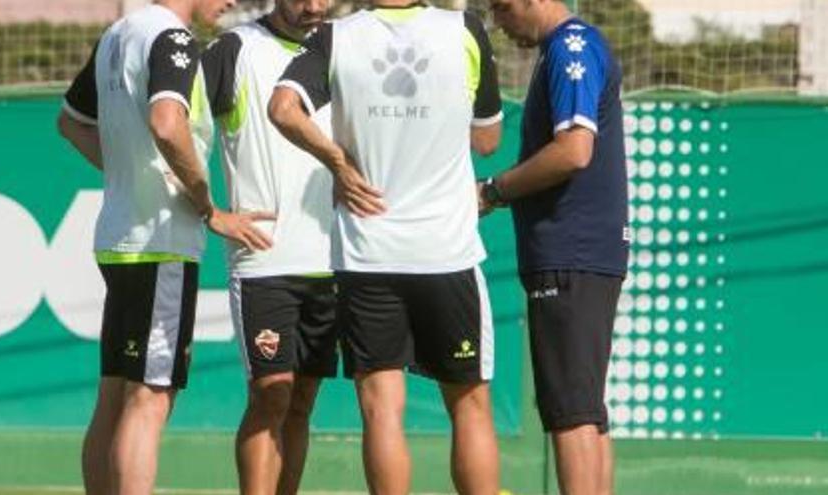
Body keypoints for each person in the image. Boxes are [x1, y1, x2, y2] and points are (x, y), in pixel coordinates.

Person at [268, 1, 503, 493]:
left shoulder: (335, 36)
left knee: (380, 410)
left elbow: (282, 109)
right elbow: (488, 140)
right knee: (469, 404)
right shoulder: (463, 29)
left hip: (367, 253)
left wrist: (337, 160)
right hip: (446, 252)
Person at [56, 1, 272, 494]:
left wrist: (130, 178)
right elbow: (167, 122)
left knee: (114, 396)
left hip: (120, 238)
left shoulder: (118, 34)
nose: (234, 3)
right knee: (150, 398)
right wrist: (207, 207)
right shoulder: (172, 38)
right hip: (160, 242)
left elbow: (70, 123)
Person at [480, 1, 629, 494]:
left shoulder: (572, 47)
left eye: (501, 9)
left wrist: (493, 191)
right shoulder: (566, 48)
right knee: (585, 410)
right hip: (583, 253)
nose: (499, 24)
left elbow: (574, 150)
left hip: (572, 251)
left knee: (572, 412)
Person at [200, 0, 335, 493]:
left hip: (335, 259)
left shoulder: (345, 46)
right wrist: (210, 210)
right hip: (265, 261)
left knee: (302, 401)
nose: (315, 7)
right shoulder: (235, 49)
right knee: (271, 395)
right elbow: (173, 127)